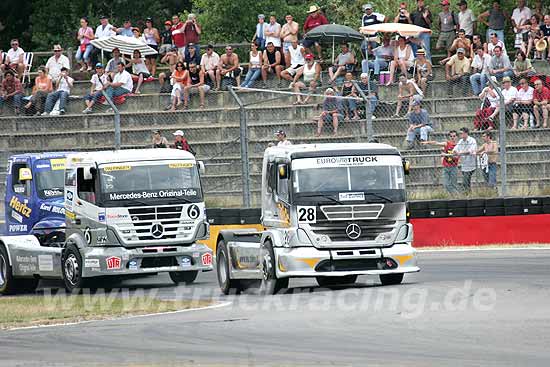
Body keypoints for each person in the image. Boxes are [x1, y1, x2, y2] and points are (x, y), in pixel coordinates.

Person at [421, 130, 460, 195]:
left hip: (454, 167)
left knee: (454, 184)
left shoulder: (458, 145)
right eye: (451, 136)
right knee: (446, 184)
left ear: (456, 137)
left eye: (454, 136)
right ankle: (456, 195)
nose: (452, 137)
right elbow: (436, 143)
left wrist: (446, 155)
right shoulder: (447, 144)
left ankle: (455, 196)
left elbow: (456, 157)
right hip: (446, 167)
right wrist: (427, 142)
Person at [452, 127, 477, 193]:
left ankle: (465, 193)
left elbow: (470, 151)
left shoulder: (472, 140)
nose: (460, 135)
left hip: (471, 164)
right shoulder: (461, 141)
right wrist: (455, 152)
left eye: (461, 133)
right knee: (467, 181)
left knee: (465, 181)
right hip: (464, 165)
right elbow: (455, 149)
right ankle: (469, 194)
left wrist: (459, 153)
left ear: (466, 133)